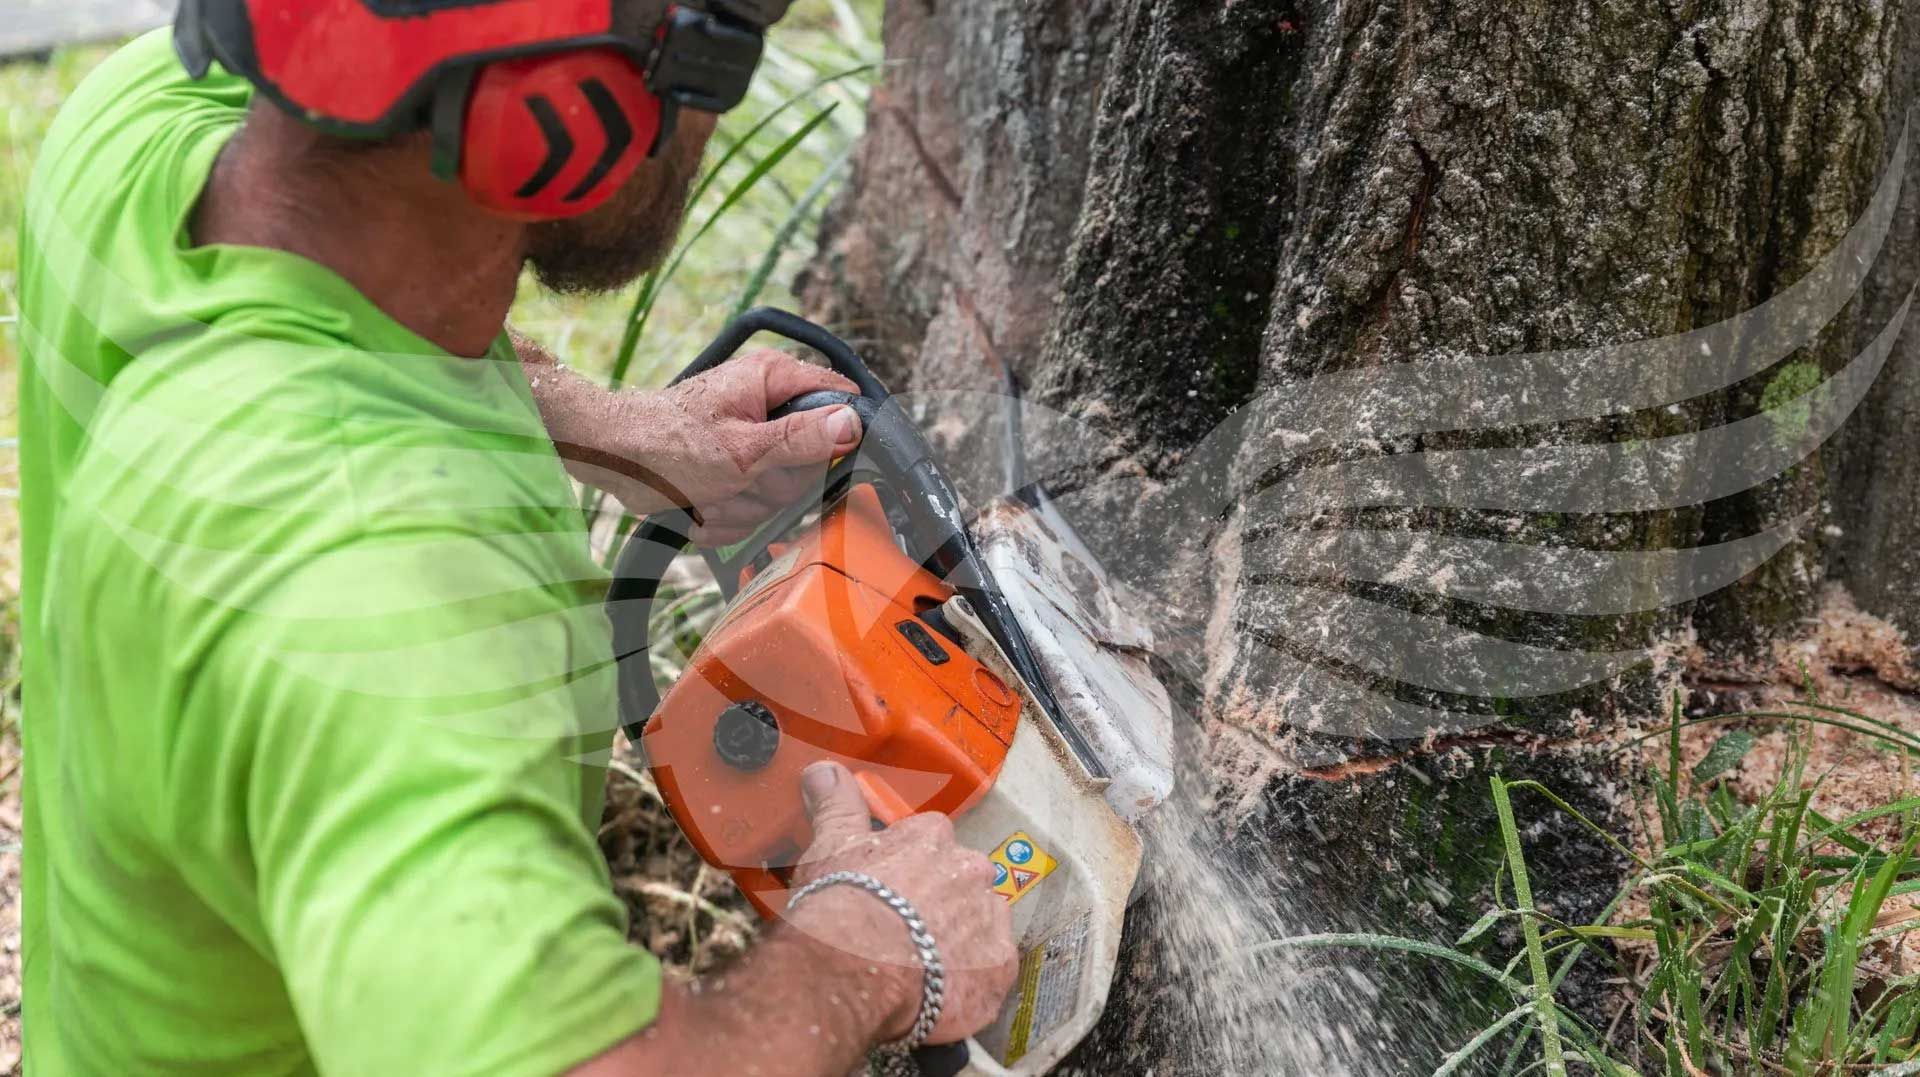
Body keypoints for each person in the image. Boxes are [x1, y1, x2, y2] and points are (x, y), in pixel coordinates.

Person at [13, 10, 1017, 1076]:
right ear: (560, 123)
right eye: (717, 42)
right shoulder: (380, 606)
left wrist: (613, 426)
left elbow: (329, 327)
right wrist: (870, 944)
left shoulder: (131, 136)